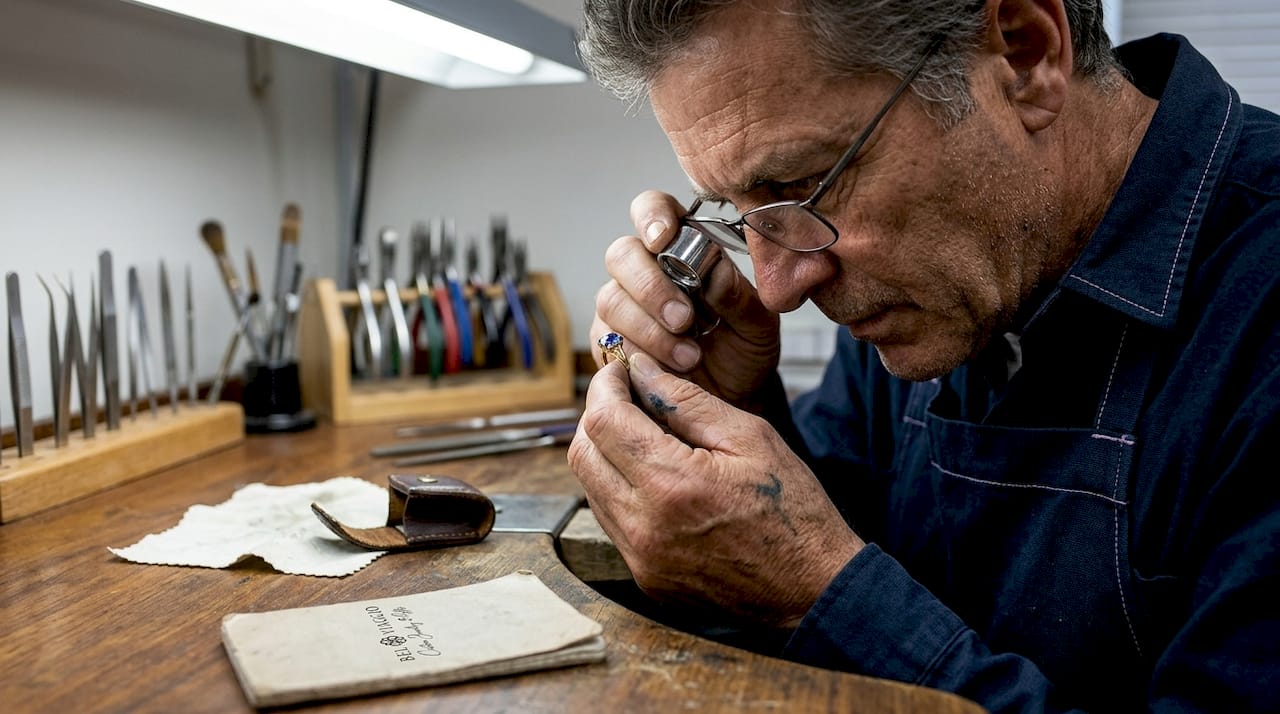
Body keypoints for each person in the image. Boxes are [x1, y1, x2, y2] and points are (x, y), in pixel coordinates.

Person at [566, 0, 1280, 711]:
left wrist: (818, 597)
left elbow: (827, 581)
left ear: (1026, 55)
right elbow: (845, 539)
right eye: (738, 212)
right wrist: (734, 421)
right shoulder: (924, 292)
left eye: (802, 184)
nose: (780, 287)